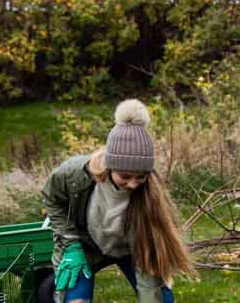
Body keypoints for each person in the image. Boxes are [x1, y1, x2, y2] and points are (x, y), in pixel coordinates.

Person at [42, 99, 192, 303]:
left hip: (132, 248)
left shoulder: (150, 188)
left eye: (140, 177)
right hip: (86, 247)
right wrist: (70, 244)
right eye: (125, 176)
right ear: (109, 167)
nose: (133, 184)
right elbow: (52, 199)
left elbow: (150, 240)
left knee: (159, 299)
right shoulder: (73, 174)